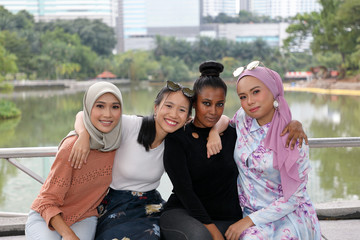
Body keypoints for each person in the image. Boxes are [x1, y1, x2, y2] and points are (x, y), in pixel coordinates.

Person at [160, 61, 307, 240]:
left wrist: (294, 123)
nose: (213, 111)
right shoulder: (178, 139)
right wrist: (214, 232)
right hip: (186, 212)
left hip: (230, 217)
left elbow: (268, 124)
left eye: (219, 104)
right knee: (200, 237)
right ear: (194, 103)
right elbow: (185, 192)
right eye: (206, 103)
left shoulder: (235, 133)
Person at [69, 81, 193, 240]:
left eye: (181, 110)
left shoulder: (176, 143)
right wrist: (83, 135)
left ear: (188, 118)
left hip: (150, 205)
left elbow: (218, 119)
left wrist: (214, 134)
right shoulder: (132, 125)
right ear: (156, 108)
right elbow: (82, 115)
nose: (174, 114)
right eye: (168, 106)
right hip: (116, 204)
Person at [224, 61, 321, 240]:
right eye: (243, 96)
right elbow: (225, 120)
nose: (249, 101)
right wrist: (214, 132)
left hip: (289, 214)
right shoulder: (243, 119)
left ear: (273, 89)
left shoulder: (293, 137)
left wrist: (248, 221)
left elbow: (294, 198)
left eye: (256, 92)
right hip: (250, 211)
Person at [25, 81, 123, 240]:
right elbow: (47, 202)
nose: (108, 114)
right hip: (47, 217)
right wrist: (68, 234)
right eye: (99, 106)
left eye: (115, 107)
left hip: (84, 216)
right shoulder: (73, 147)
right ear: (89, 107)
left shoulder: (119, 141)